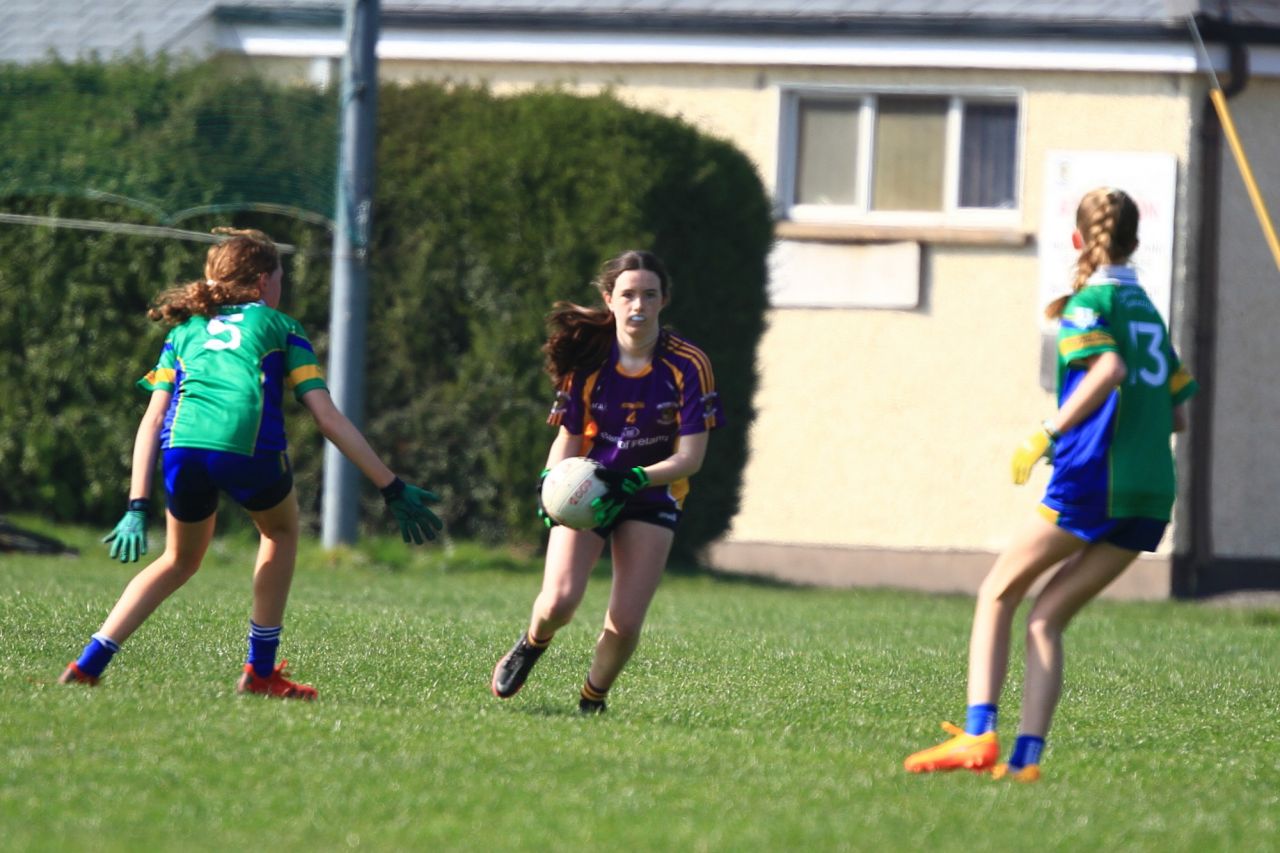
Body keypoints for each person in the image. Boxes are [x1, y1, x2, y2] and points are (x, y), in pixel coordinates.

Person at [59, 227, 442, 699]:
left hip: (182, 447)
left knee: (178, 559)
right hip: (246, 448)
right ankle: (260, 672)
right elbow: (326, 417)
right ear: (263, 282)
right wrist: (391, 485)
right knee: (279, 533)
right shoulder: (281, 327)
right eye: (280, 276)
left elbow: (152, 417)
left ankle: (88, 664)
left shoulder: (183, 332)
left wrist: (137, 504)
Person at [903, 187, 1198, 781]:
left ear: (1076, 239)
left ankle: (978, 734)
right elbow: (1177, 413)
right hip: (1150, 490)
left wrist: (1047, 431)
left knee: (997, 592)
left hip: (1094, 480)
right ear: (1136, 241)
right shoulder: (1148, 312)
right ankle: (1025, 762)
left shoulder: (1089, 303)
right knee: (1046, 618)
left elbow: (1109, 369)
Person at [490, 250, 723, 713]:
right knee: (559, 601)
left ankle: (591, 701)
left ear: (664, 301)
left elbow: (690, 458)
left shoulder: (688, 364)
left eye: (649, 295)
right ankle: (533, 643)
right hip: (587, 488)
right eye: (628, 294)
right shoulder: (589, 361)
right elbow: (569, 437)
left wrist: (634, 478)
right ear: (609, 299)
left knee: (625, 623)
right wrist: (549, 480)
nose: (638, 305)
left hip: (652, 491)